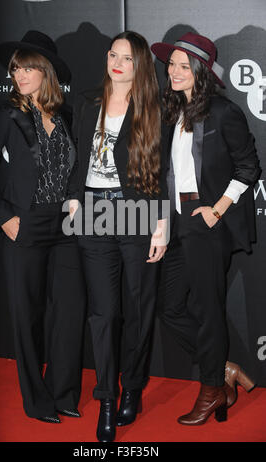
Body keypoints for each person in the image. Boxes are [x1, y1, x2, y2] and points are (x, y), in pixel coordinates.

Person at [151, 32, 260, 425]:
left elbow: (248, 166)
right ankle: (223, 369)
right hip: (178, 219)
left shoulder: (224, 112)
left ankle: (212, 390)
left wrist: (217, 209)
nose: (175, 71)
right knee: (169, 305)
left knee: (209, 310)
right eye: (172, 64)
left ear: (200, 71)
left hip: (207, 220)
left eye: (184, 65)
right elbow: (167, 175)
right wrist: (162, 227)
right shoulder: (170, 112)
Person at [0, 31, 86, 423]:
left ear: (46, 71)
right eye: (15, 68)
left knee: (69, 314)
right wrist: (4, 217)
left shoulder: (68, 115)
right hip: (26, 223)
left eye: (27, 68)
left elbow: (80, 170)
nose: (19, 75)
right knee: (27, 318)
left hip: (67, 225)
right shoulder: (8, 115)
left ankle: (64, 394)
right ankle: (37, 402)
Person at [68, 31, 168, 442]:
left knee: (140, 309)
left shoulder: (153, 108)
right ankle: (107, 398)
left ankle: (134, 387)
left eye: (126, 57)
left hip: (137, 213)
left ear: (139, 64)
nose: (117, 62)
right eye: (113, 54)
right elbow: (77, 159)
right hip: (93, 212)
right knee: (104, 314)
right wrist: (74, 201)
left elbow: (161, 171)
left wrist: (161, 224)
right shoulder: (88, 101)